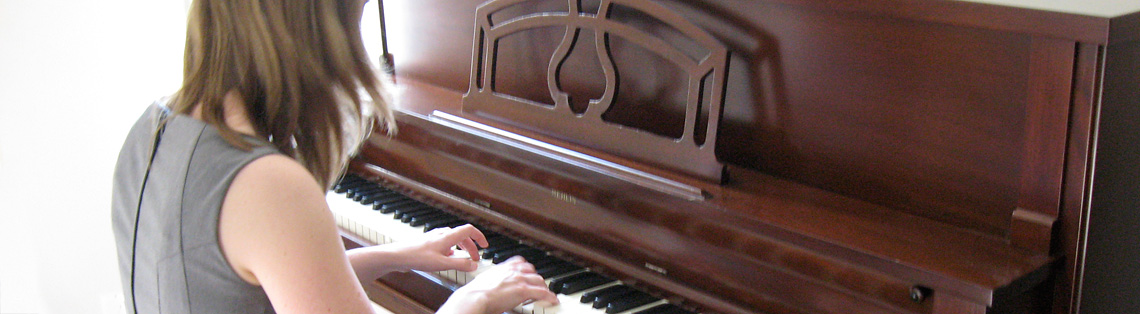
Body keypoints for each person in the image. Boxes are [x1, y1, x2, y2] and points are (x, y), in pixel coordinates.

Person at [110, 0, 559, 313]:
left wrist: (401, 253)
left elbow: (261, 285)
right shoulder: (265, 184)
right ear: (314, 29)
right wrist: (475, 298)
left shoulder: (155, 126)